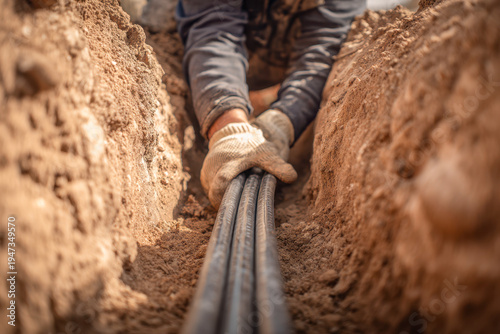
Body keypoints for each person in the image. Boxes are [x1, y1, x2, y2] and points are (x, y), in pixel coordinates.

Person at [176, 0, 366, 208]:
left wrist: (282, 122)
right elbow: (213, 30)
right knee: (165, 38)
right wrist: (228, 126)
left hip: (282, 52)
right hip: (195, 27)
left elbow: (318, 55)